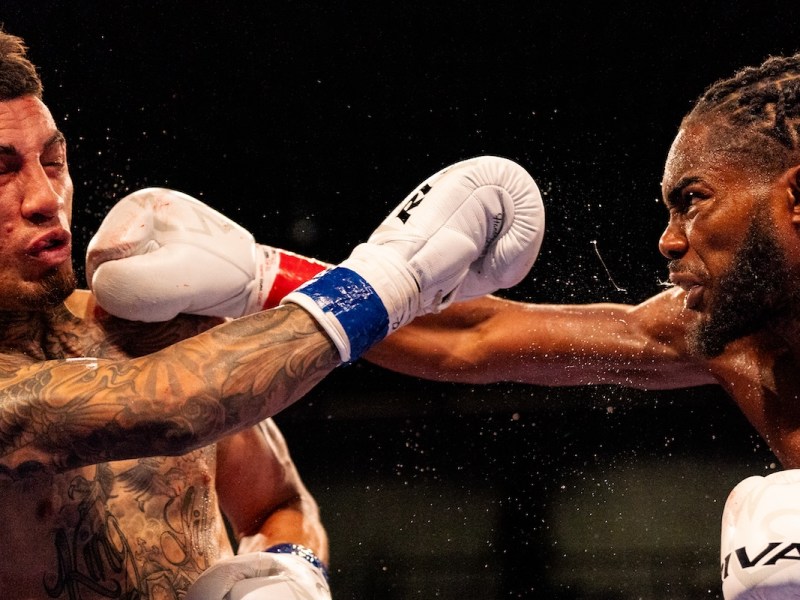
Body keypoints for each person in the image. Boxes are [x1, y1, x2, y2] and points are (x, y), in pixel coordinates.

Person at [0, 28, 546, 600]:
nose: (44, 198)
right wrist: (390, 274)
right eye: (2, 168)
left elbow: (277, 503)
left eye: (54, 160)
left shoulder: (141, 328)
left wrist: (292, 573)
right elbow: (170, 408)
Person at [364, 52, 800, 599]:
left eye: (693, 200)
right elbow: (475, 336)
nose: (669, 240)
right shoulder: (733, 335)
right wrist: (261, 282)